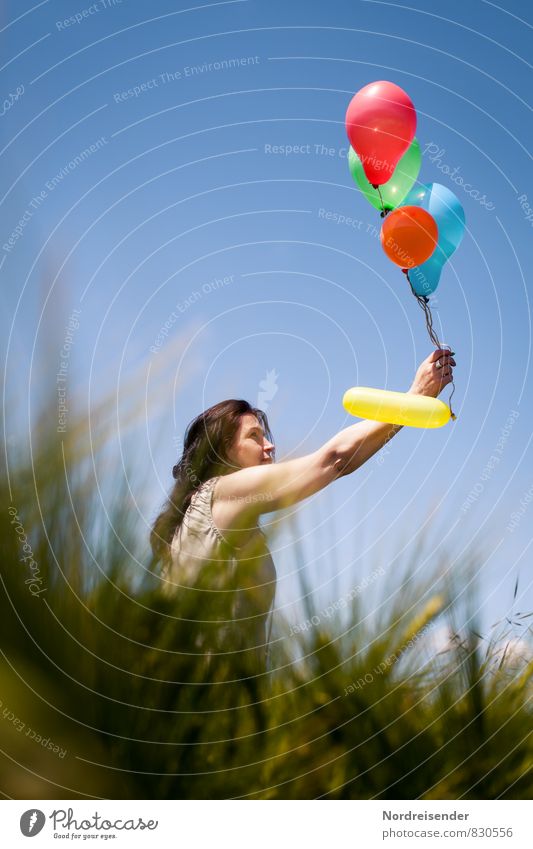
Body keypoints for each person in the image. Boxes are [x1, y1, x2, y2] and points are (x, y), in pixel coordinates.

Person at [150, 348, 455, 676]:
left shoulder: (209, 518)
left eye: (265, 435)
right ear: (221, 452)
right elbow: (334, 459)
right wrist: (413, 399)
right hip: (204, 709)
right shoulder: (219, 495)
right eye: (254, 436)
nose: (269, 445)